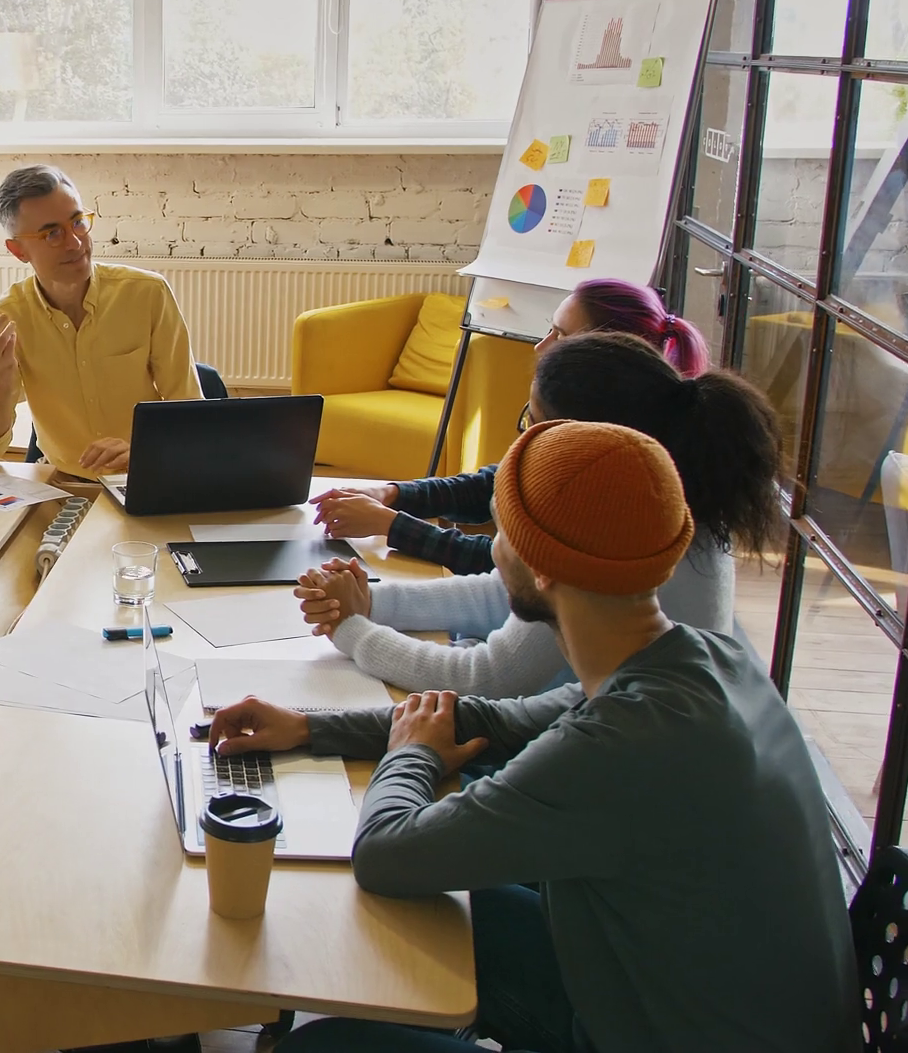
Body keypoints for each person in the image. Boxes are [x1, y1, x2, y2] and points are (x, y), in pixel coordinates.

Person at [214, 420, 857, 1053]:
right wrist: (309, 727)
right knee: (459, 897)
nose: (493, 550)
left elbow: (384, 853)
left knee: (324, 1048)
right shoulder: (700, 660)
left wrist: (410, 755)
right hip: (702, 1001)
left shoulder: (618, 746)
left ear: (544, 570)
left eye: (503, 535)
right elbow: (500, 720)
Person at [300, 332, 782, 701]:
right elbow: (510, 594)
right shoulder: (660, 502)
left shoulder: (609, 531)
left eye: (531, 420)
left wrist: (353, 628)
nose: (523, 436)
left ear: (581, 439)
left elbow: (488, 677)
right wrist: (372, 602)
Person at [311, 278, 711, 574]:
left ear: (606, 357)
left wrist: (393, 525)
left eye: (561, 335)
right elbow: (500, 482)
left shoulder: (618, 472)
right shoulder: (613, 424)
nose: (540, 346)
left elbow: (514, 570)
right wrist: (392, 494)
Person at [0, 165, 202, 480]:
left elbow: (189, 410)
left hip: (145, 473)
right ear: (18, 250)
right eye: (52, 234)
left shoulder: (147, 294)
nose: (75, 243)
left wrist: (146, 451)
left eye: (77, 223)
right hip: (64, 486)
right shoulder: (6, 321)